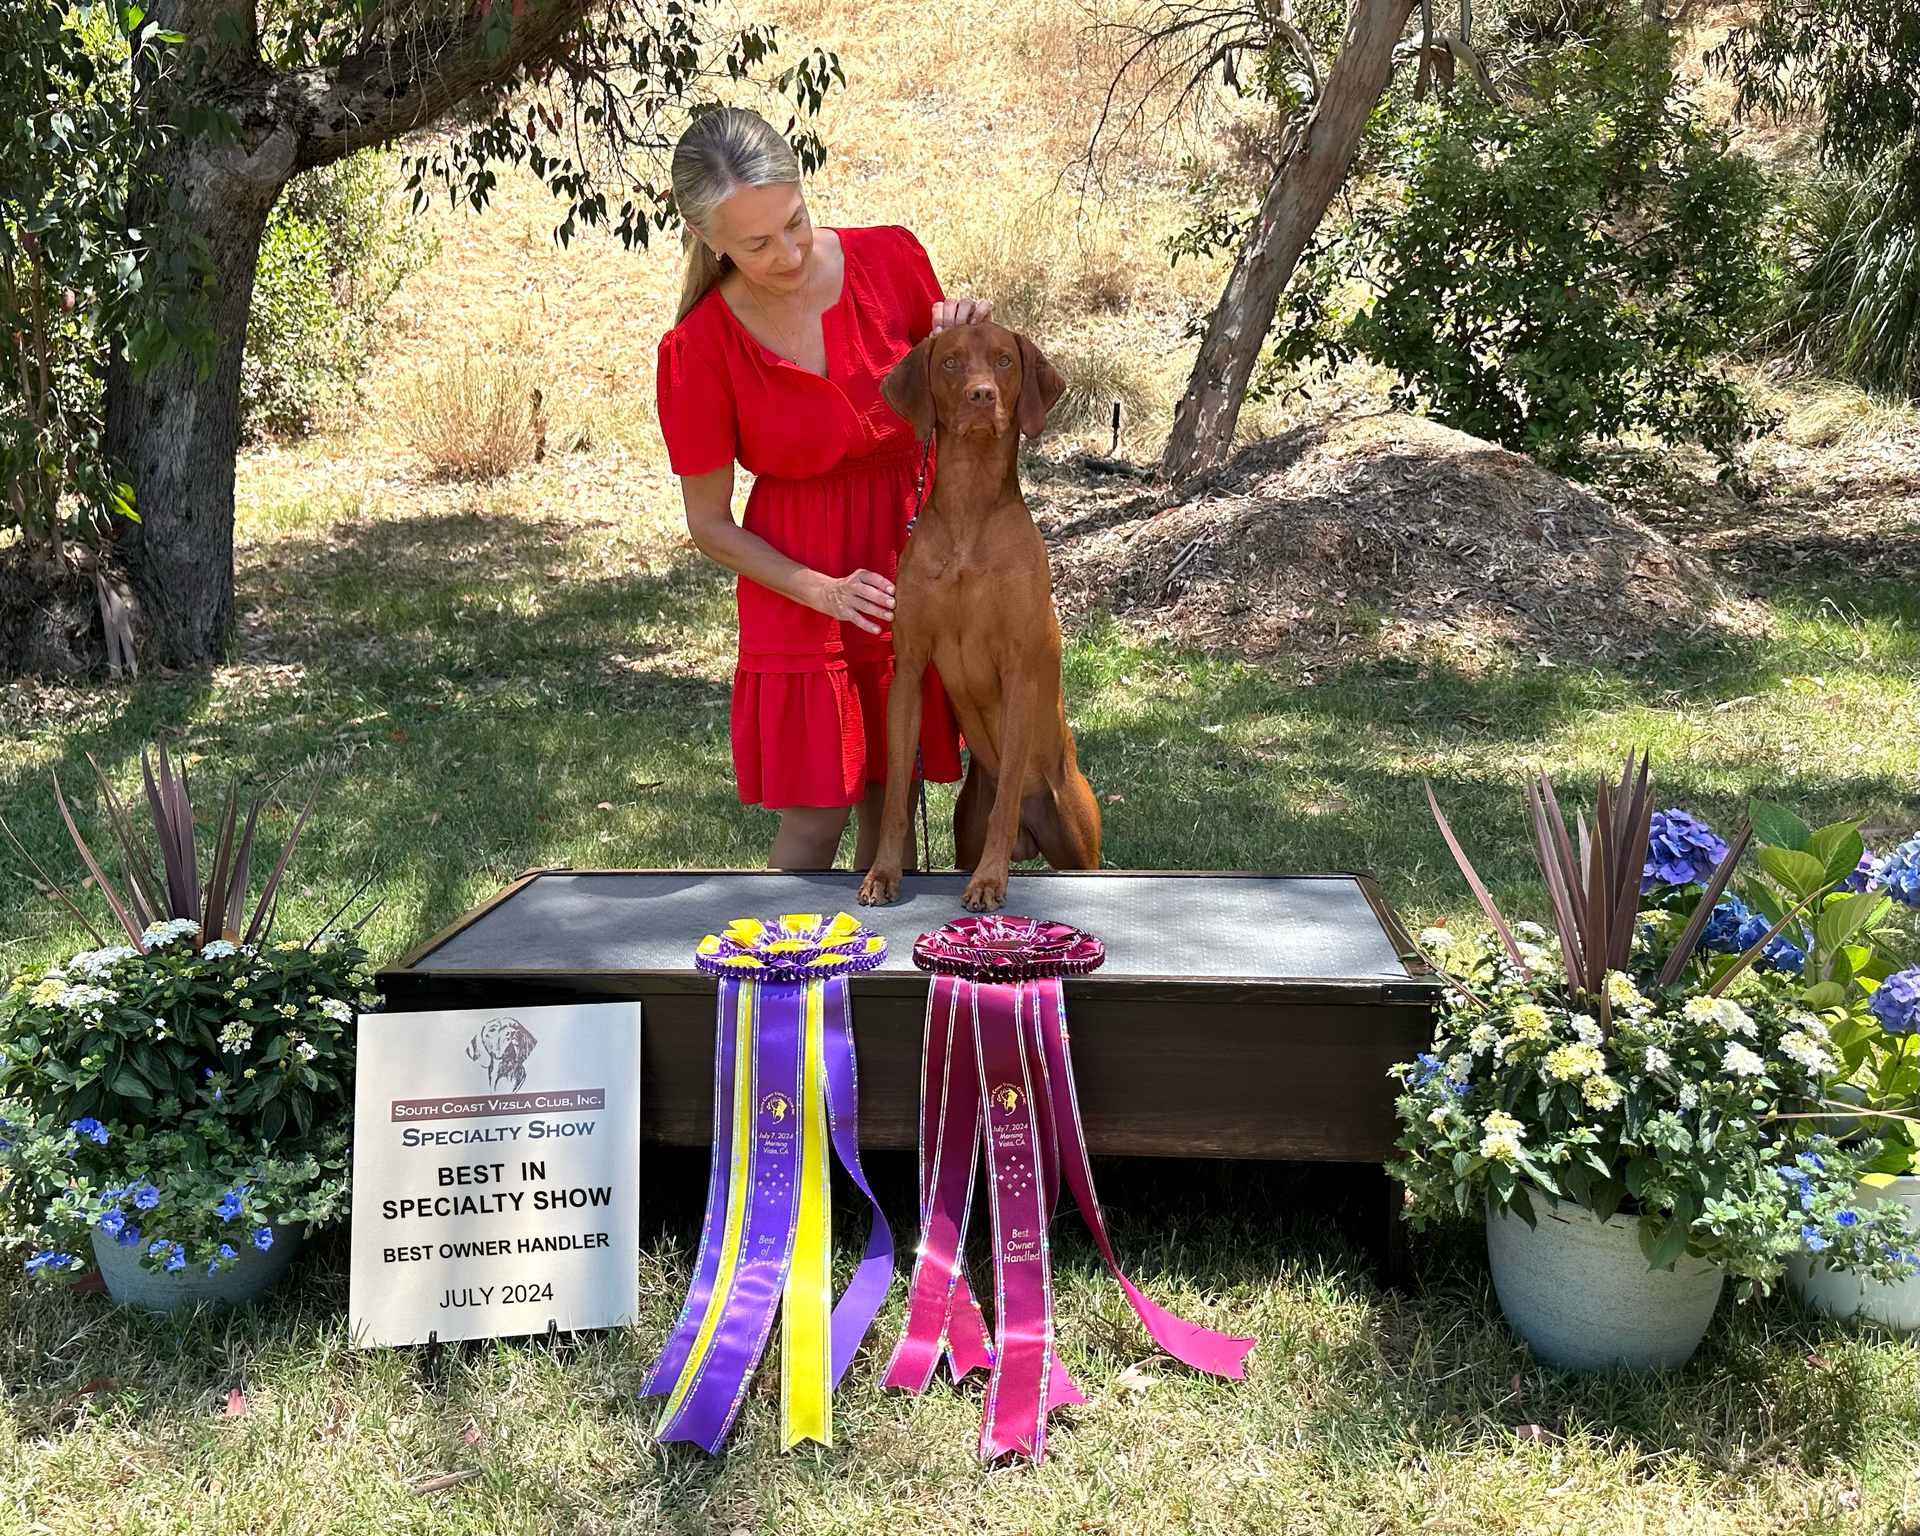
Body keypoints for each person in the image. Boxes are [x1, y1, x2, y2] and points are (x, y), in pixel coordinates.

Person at [656, 107, 988, 870]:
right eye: (756, 243)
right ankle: (763, 983)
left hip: (908, 555)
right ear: (707, 240)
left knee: (892, 801)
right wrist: (822, 591)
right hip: (802, 580)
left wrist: (968, 346)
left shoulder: (893, 260)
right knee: (816, 818)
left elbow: (957, 416)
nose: (789, 252)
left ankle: (882, 983)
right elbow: (708, 523)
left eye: (795, 223)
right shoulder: (698, 349)